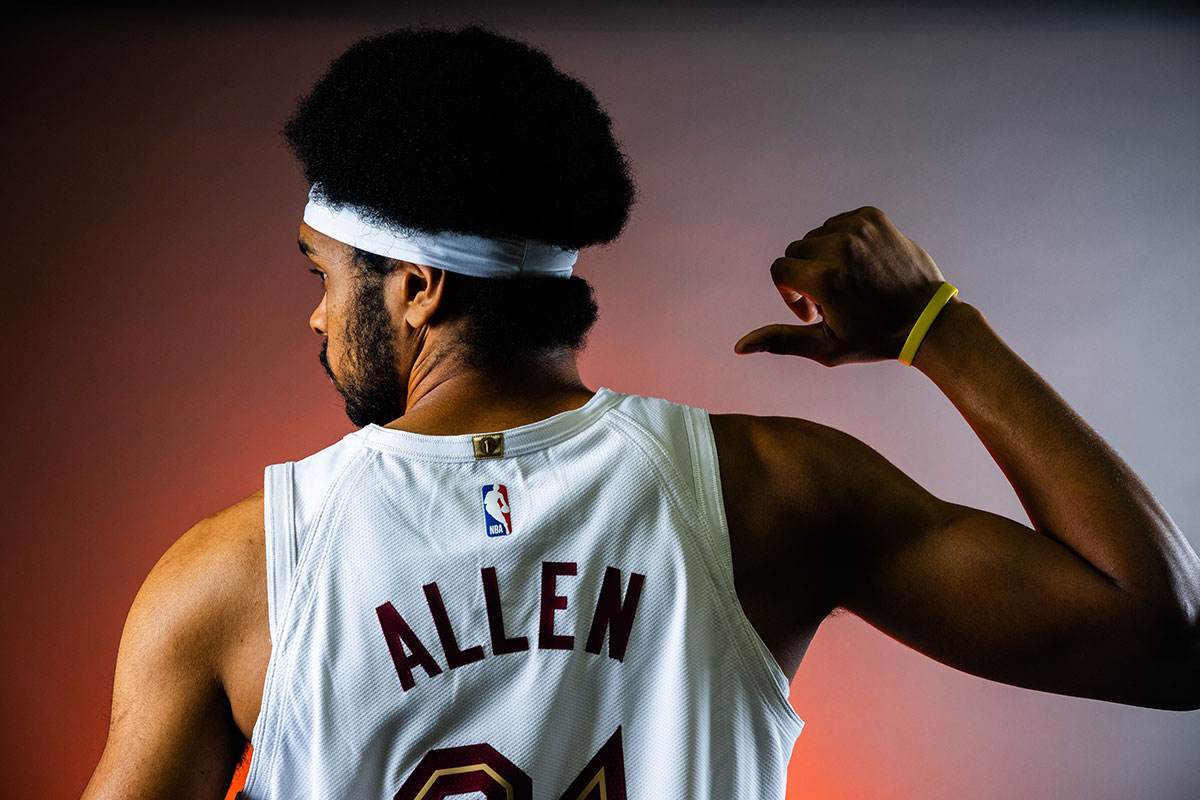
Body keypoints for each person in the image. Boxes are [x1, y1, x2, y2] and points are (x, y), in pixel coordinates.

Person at [80, 23, 1200, 800]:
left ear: (416, 287)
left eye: (320, 273)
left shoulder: (232, 576)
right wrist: (935, 326)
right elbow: (1166, 635)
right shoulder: (770, 494)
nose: (315, 318)